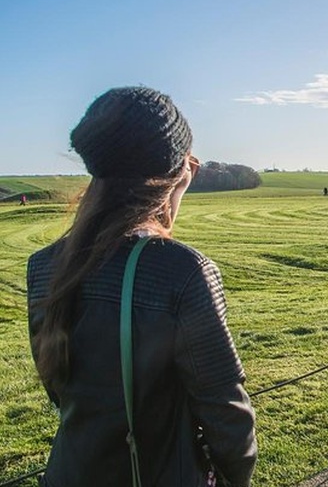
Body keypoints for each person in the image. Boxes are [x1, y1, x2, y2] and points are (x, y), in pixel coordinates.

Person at [26, 87, 257, 486]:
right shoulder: (184, 271)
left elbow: (59, 390)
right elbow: (228, 416)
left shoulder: (44, 266)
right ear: (176, 173)